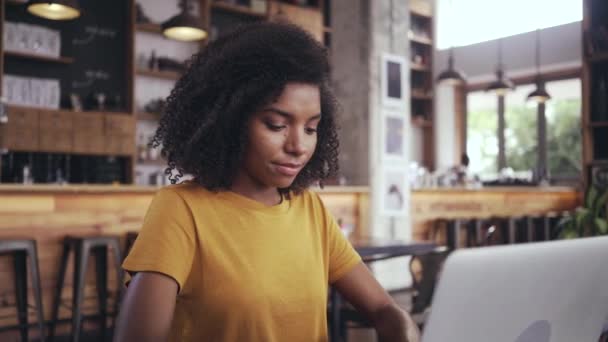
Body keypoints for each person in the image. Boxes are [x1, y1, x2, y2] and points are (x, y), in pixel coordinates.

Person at [113, 22, 419, 342]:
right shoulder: (182, 211)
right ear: (228, 121)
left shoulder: (309, 209)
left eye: (311, 128)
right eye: (276, 125)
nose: (298, 146)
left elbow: (384, 308)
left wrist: (400, 325)